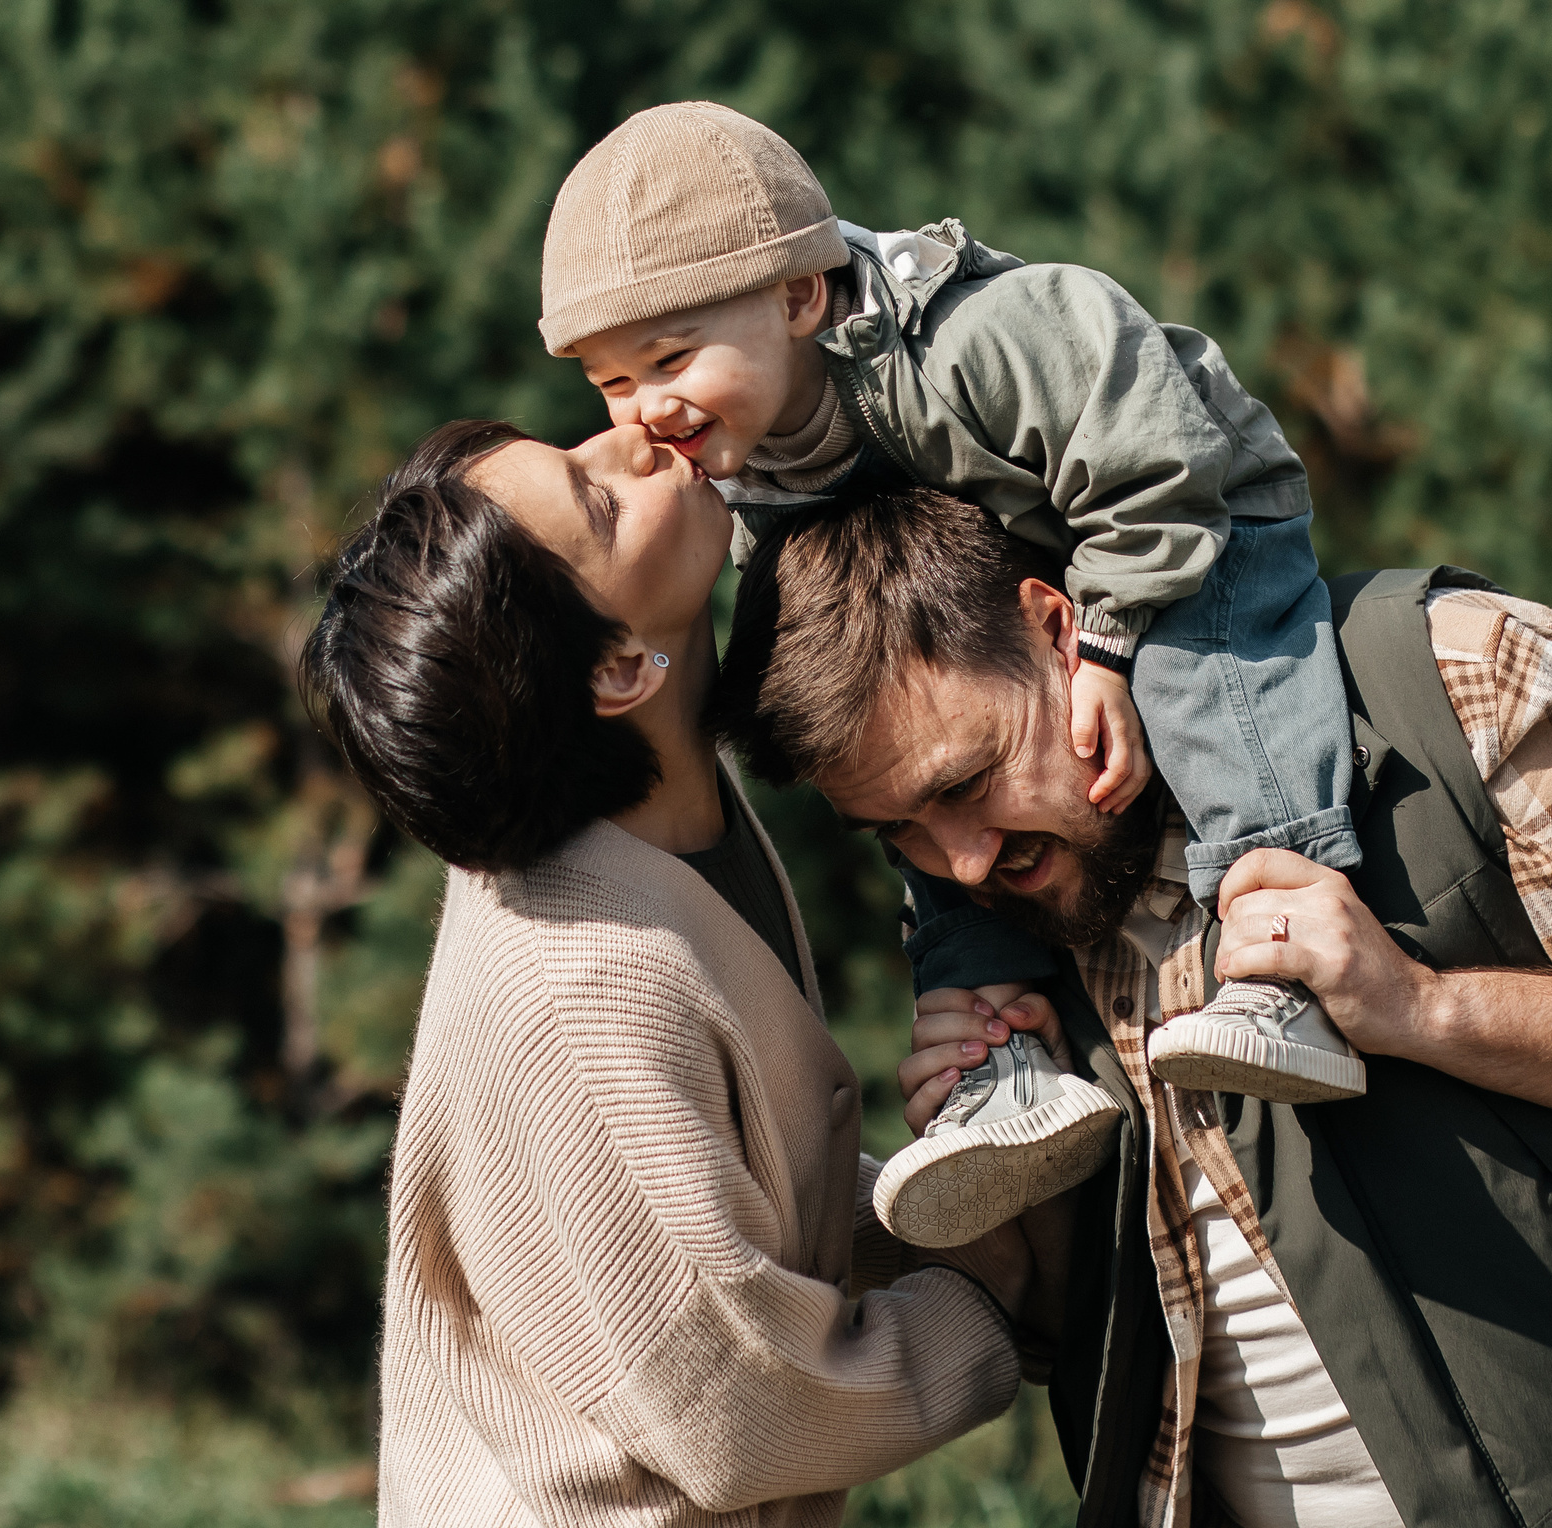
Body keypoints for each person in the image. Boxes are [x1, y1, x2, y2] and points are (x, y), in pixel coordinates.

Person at [717, 485, 1552, 1528]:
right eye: (901, 836)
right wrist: (1013, 1193)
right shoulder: (1001, 913)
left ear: (1058, 626)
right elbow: (1117, 1323)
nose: (959, 862)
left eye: (963, 786)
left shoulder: (1444, 673)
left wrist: (1420, 1008)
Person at [539, 101, 1366, 1246]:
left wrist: (1113, 639)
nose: (646, 412)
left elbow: (1151, 456)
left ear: (798, 295)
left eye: (670, 359)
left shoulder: (979, 338)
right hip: (992, 607)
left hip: (1181, 526)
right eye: (609, 382)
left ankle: (1283, 954)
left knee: (1199, 685)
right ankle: (997, 1067)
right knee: (925, 818)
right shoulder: (741, 455)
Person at [301, 420, 1055, 1528]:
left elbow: (709, 1198)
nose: (634, 437)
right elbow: (732, 1404)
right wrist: (1002, 1292)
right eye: (600, 502)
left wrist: (941, 1205)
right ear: (616, 668)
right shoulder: (579, 988)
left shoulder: (669, 820)